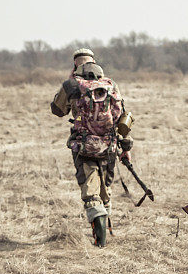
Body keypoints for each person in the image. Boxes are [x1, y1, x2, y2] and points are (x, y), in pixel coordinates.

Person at [51, 48, 132, 247]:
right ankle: (108, 230)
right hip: (110, 146)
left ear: (75, 66)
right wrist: (126, 147)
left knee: (91, 193)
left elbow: (57, 110)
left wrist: (69, 83)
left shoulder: (72, 85)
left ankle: (100, 242)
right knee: (105, 189)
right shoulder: (110, 85)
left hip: (83, 147)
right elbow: (124, 117)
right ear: (95, 62)